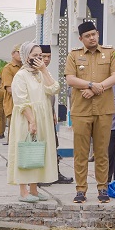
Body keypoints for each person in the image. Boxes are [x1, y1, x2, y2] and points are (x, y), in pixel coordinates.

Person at [65, 22, 115, 203]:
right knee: (80, 152)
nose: (92, 38)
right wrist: (90, 85)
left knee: (102, 151)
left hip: (104, 110)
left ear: (98, 34)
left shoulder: (110, 52)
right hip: (81, 111)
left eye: (94, 34)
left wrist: (98, 88)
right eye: (87, 36)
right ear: (81, 39)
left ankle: (102, 188)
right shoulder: (74, 55)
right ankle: (81, 189)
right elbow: (70, 79)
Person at [7, 42, 60, 202]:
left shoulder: (40, 73)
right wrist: (32, 121)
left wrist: (44, 70)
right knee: (26, 151)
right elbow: (21, 101)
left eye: (40, 56)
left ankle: (34, 189)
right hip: (27, 118)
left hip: (43, 117)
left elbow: (54, 89)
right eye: (34, 56)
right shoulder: (21, 75)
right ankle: (23, 191)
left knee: (38, 152)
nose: (38, 59)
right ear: (26, 57)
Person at [40, 44, 73, 185]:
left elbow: (52, 94)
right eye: (43, 56)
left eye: (49, 56)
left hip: (49, 114)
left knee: (54, 144)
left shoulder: (47, 72)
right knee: (41, 145)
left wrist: (53, 112)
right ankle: (39, 177)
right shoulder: (33, 73)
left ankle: (55, 174)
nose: (46, 59)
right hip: (39, 115)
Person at [1, 44, 22, 145]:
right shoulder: (8, 68)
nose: (21, 54)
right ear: (13, 54)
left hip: (24, 103)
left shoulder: (25, 67)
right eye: (19, 52)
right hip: (13, 103)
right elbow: (9, 89)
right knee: (15, 130)